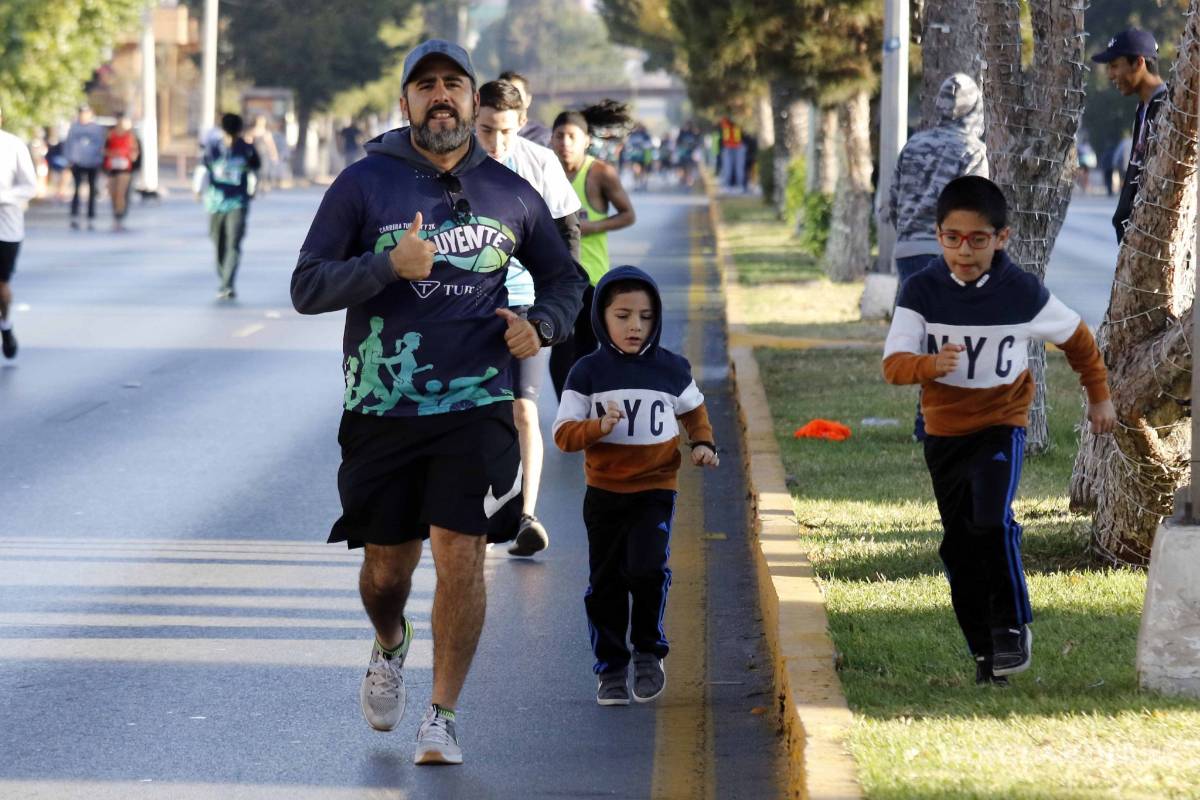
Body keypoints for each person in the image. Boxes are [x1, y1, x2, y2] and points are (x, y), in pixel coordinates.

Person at [290, 39, 585, 765]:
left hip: (476, 403)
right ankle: (391, 641)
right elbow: (306, 287)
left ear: (476, 100)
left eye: (455, 83)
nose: (442, 95)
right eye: (426, 86)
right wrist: (387, 265)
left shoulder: (512, 192)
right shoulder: (363, 185)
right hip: (382, 408)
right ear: (406, 103)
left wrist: (539, 324)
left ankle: (443, 714)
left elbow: (566, 279)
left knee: (462, 556)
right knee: (387, 573)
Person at [881, 176, 1116, 686]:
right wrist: (927, 365)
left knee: (991, 520)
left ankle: (1011, 626)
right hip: (944, 431)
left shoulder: (1021, 293)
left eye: (978, 239)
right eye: (952, 238)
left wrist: (1099, 396)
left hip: (1001, 423)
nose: (964, 252)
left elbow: (1078, 339)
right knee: (959, 543)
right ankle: (985, 654)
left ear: (1002, 238)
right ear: (939, 235)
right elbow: (893, 365)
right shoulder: (922, 289)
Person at [553, 266, 719, 705]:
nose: (635, 326)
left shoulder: (671, 368)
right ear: (601, 316)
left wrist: (702, 443)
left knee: (647, 569)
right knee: (605, 582)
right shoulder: (586, 373)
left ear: (656, 319)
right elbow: (563, 434)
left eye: (645, 317)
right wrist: (597, 427)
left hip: (655, 489)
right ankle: (611, 667)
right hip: (604, 493)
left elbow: (694, 411)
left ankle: (648, 651)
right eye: (623, 315)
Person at [475, 78, 584, 557]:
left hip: (526, 306)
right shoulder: (456, 165)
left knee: (524, 410)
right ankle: (476, 510)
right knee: (473, 411)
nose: (494, 143)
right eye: (484, 130)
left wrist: (550, 315)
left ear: (521, 123)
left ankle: (526, 516)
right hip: (469, 306)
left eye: (503, 131)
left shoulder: (541, 165)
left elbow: (569, 243)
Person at [549, 102, 636, 399]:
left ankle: (585, 402)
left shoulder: (599, 173)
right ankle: (567, 409)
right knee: (560, 344)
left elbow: (628, 214)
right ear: (551, 139)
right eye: (559, 136)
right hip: (556, 276)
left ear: (587, 140)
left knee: (585, 346)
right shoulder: (545, 173)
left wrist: (587, 228)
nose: (565, 143)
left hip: (592, 277)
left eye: (572, 136)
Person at [880, 73, 988, 286]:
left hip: (908, 252)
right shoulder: (972, 150)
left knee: (917, 317)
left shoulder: (914, 145)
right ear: (975, 109)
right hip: (952, 255)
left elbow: (893, 202)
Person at [1092, 28, 1167, 242]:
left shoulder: (1166, 109)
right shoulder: (1143, 107)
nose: (1110, 75)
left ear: (1139, 63)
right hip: (1134, 239)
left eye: (1115, 66)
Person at [198, 113, 260, 300]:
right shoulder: (213, 148)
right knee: (218, 242)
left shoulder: (247, 149)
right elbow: (203, 169)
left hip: (238, 202)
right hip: (215, 203)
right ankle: (224, 275)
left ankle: (227, 284)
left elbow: (254, 171)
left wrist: (252, 190)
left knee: (233, 243)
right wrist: (197, 189)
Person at [0, 106, 38, 360]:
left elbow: (30, 186)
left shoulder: (13, 146)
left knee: (1, 287)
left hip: (6, 228)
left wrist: (3, 197)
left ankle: (6, 326)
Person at [64, 106, 106, 230]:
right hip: (77, 162)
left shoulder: (97, 129)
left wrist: (100, 160)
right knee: (76, 189)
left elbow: (102, 145)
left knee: (92, 190)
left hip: (93, 163)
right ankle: (74, 216)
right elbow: (68, 144)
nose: (83, 116)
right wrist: (69, 159)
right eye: (82, 113)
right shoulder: (74, 127)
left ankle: (91, 216)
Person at [103, 112, 140, 232]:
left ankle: (119, 218)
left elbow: (135, 152)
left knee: (120, 193)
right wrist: (114, 153)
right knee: (113, 193)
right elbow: (104, 150)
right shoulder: (110, 134)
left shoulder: (131, 136)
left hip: (125, 167)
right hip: (112, 166)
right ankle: (115, 214)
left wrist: (130, 156)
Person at [498, 71, 551, 147]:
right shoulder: (481, 136)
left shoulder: (543, 138)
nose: (510, 100)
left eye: (515, 94)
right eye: (505, 94)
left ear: (528, 100)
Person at [246, 116, 280, 193]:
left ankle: (262, 185)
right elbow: (248, 143)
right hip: (256, 155)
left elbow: (271, 145)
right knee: (256, 171)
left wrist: (274, 155)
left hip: (262, 155)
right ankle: (257, 186)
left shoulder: (265, 133)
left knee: (262, 171)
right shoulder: (254, 132)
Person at [717, 113, 745, 192]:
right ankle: (727, 185)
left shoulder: (741, 118)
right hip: (728, 147)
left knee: (739, 168)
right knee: (727, 167)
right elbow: (722, 131)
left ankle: (740, 185)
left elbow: (743, 132)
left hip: (739, 146)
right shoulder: (725, 121)